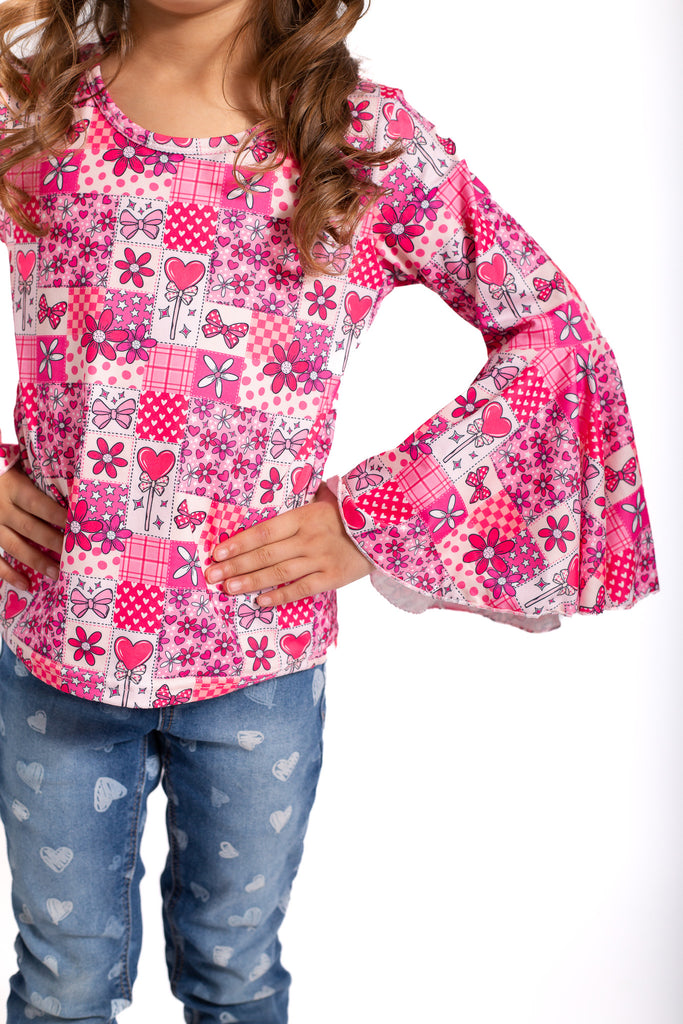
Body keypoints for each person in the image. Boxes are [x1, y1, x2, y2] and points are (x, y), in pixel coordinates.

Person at [0, 0, 660, 1021]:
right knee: (62, 984)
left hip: (256, 663)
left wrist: (374, 516)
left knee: (234, 972)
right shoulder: (33, 108)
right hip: (56, 639)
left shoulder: (359, 139)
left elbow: (553, 333)